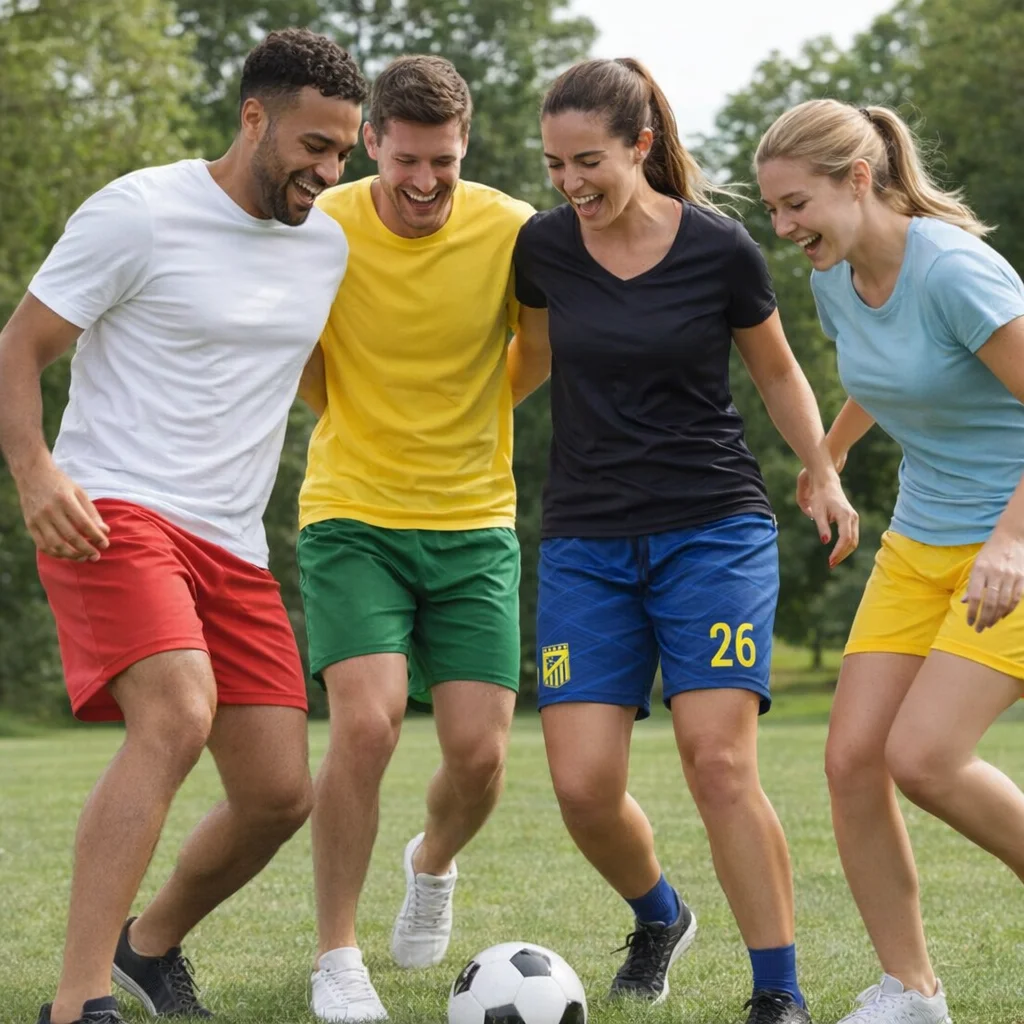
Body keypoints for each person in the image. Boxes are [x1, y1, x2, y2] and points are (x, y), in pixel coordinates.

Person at [0, 29, 366, 1024]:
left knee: (279, 793)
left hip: (234, 541)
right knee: (175, 711)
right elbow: (20, 345)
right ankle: (78, 1002)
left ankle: (147, 946)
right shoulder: (141, 212)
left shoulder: (325, 242)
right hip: (112, 505)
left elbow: (310, 370)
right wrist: (34, 472)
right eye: (314, 146)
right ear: (254, 118)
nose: (328, 171)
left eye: (344, 153)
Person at [507, 57, 858, 1024]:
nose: (571, 183)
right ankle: (660, 915)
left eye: (589, 162)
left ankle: (777, 991)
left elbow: (779, 371)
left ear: (641, 147)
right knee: (581, 786)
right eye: (553, 165)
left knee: (718, 761)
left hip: (713, 528)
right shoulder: (541, 249)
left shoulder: (720, 248)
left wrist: (822, 468)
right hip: (585, 539)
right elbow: (525, 363)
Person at [756, 99, 1024, 1024]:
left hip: (1014, 543)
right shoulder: (836, 275)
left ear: (857, 180)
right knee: (851, 760)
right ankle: (912, 993)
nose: (786, 229)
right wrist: (826, 459)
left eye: (797, 207)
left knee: (926, 758)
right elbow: (884, 374)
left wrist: (1011, 541)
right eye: (775, 213)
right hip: (922, 540)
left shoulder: (953, 272)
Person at [295, 55, 534, 1022]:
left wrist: (459, 422)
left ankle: (430, 865)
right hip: (352, 512)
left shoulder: (515, 229)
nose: (426, 181)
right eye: (406, 162)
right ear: (372, 144)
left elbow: (537, 354)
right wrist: (364, 417)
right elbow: (301, 361)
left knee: (479, 753)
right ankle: (336, 957)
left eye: (443, 160)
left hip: (476, 519)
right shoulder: (321, 227)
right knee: (367, 720)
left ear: (464, 144)